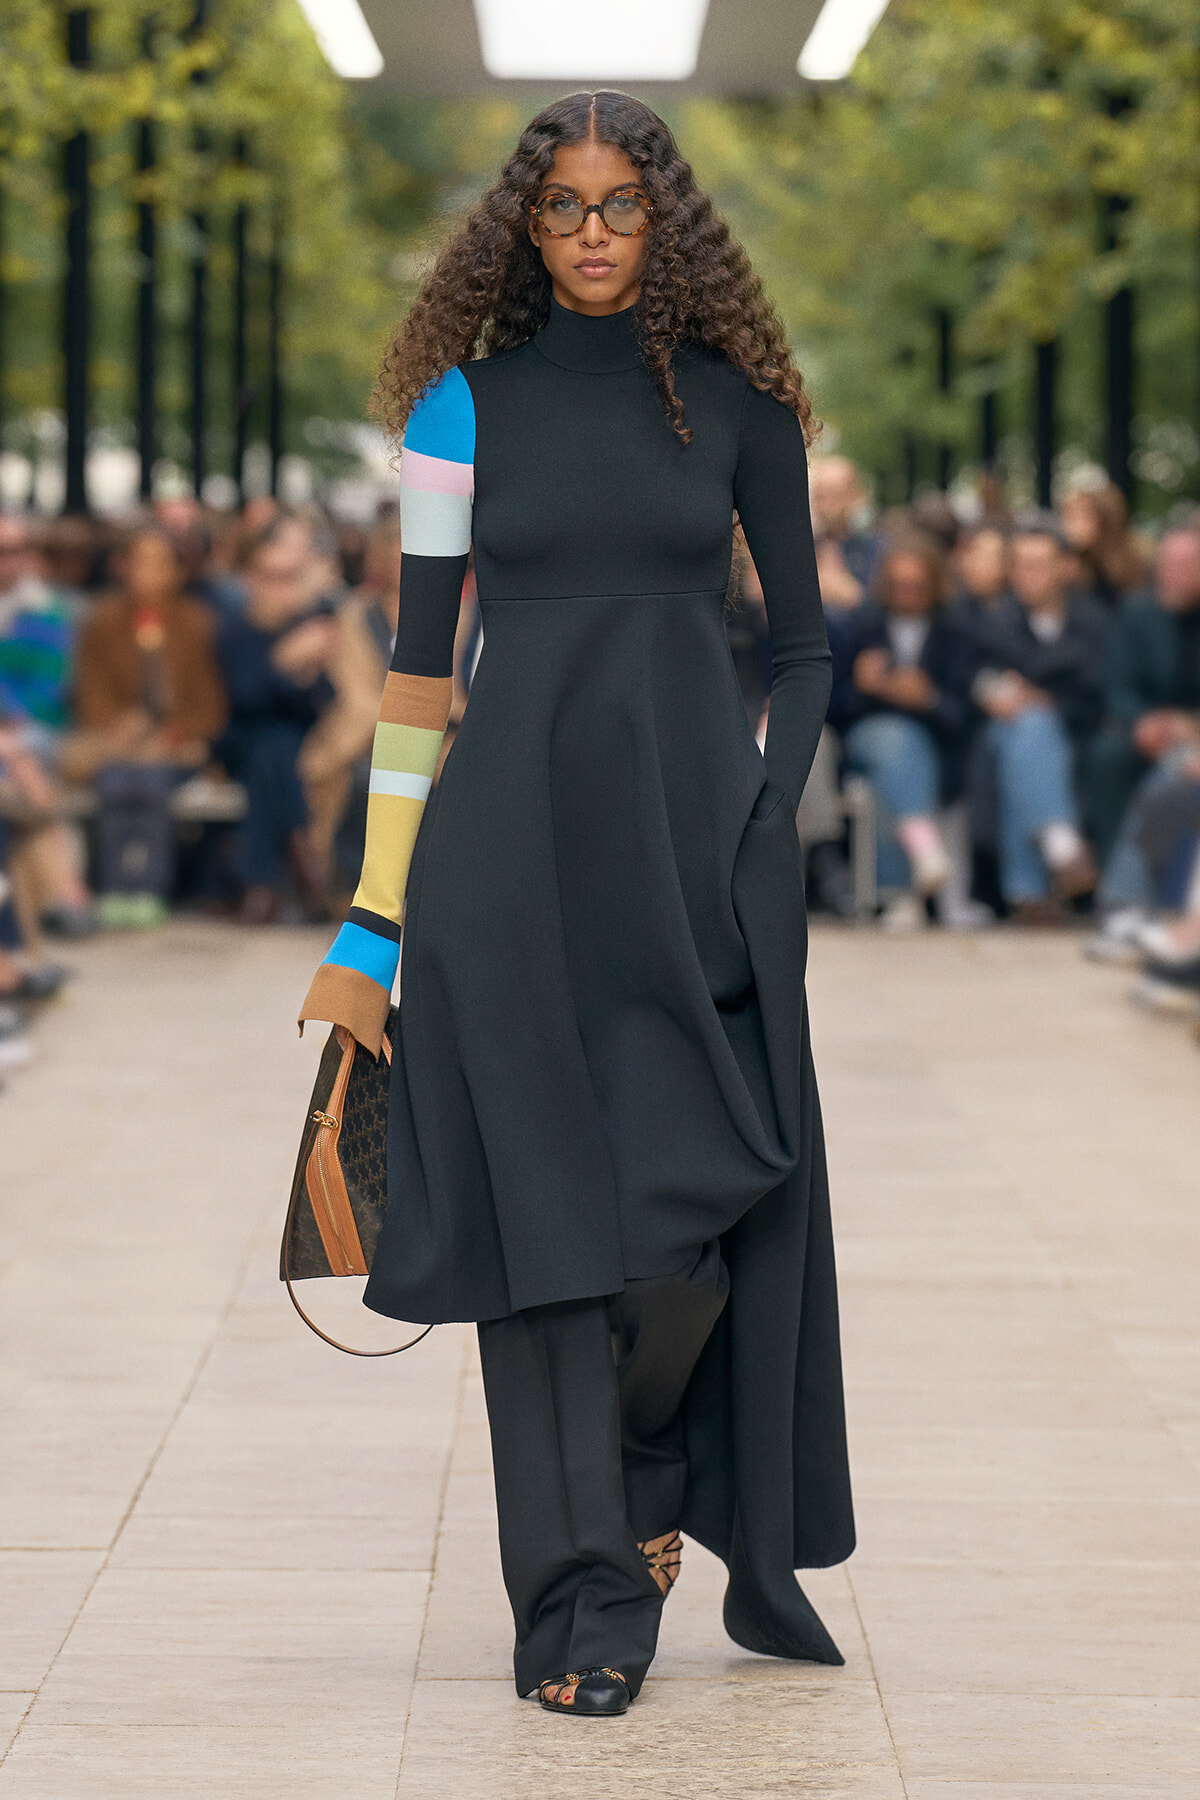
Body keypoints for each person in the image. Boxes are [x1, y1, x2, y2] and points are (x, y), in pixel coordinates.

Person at [298, 91, 853, 1719]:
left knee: (692, 1218)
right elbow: (415, 680)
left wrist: (775, 797)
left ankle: (649, 1469)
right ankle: (580, 1607)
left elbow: (807, 647)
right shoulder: (461, 415)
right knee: (545, 1236)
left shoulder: (747, 415)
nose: (595, 232)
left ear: (664, 220)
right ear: (525, 228)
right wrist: (370, 917)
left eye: (621, 206)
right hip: (503, 859)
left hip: (697, 856)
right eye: (565, 208)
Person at [64, 526, 227, 927]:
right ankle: (116, 888)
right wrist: (121, 727)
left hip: (179, 744)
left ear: (177, 571)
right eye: (138, 561)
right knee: (117, 782)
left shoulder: (198, 622)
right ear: (123, 567)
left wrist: (176, 732)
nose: (147, 572)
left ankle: (151, 888)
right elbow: (91, 692)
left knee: (151, 784)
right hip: (117, 743)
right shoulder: (101, 620)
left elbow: (211, 700)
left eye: (158, 562)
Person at [830, 535, 979, 929]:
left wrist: (928, 699)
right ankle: (923, 852)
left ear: (934, 585)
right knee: (893, 739)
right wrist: (864, 687)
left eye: (916, 586)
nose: (906, 595)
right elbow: (835, 708)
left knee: (895, 769)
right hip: (868, 738)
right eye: (897, 586)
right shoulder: (861, 629)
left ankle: (899, 895)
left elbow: (965, 714)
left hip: (934, 749)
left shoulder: (958, 634)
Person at [968, 517, 1108, 922]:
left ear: (1067, 567)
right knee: (1024, 729)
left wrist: (1045, 700)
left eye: (1039, 564)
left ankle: (1028, 893)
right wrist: (992, 694)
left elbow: (1102, 695)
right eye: (1020, 564)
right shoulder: (996, 620)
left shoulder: (1095, 623)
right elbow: (975, 675)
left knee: (1028, 734)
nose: (1027, 575)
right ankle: (1060, 844)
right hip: (1000, 729)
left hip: (1075, 735)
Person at [215, 515, 338, 923]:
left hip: (300, 741)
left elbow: (321, 701)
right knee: (274, 746)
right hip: (243, 741)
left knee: (278, 749)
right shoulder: (236, 627)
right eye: (269, 576)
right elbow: (246, 697)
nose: (278, 587)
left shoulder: (316, 623)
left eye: (289, 577)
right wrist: (286, 661)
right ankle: (308, 865)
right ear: (250, 576)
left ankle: (259, 883)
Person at [1059, 475, 1148, 607]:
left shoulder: (1135, 566)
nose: (1068, 525)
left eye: (1076, 517)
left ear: (1105, 520)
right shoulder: (1071, 564)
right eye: (1067, 516)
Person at [810, 455, 879, 609]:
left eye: (835, 495)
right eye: (820, 496)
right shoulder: (802, 545)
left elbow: (870, 604)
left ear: (855, 495)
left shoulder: (874, 547)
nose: (826, 505)